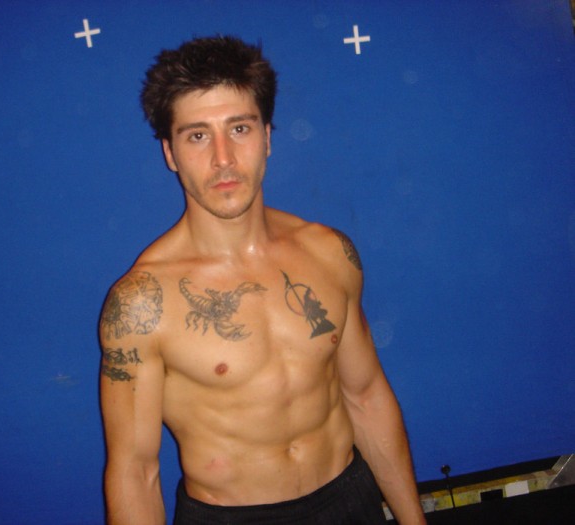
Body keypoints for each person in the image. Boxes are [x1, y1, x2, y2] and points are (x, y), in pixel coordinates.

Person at [99, 35, 426, 525]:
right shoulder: (141, 303)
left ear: (268, 137)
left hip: (350, 499)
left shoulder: (328, 253)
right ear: (170, 152)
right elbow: (135, 471)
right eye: (197, 136)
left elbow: (366, 397)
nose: (223, 158)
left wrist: (413, 520)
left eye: (239, 128)